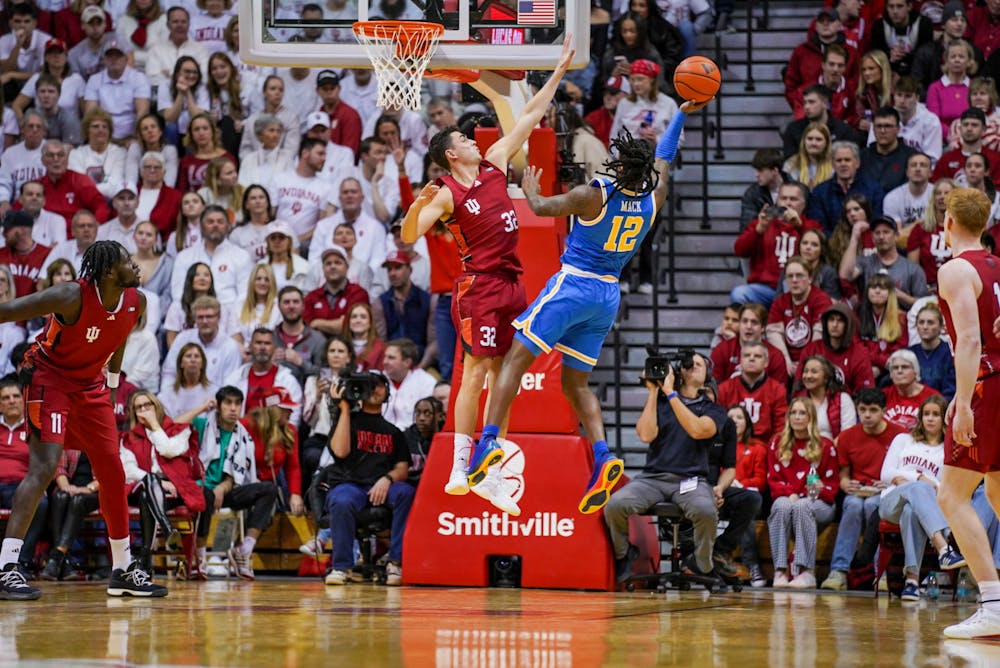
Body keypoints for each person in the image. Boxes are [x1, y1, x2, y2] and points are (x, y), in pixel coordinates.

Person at [467, 98, 706, 515]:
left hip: (574, 284)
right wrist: (681, 112)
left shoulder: (591, 195)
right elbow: (666, 156)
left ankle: (487, 441)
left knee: (511, 365)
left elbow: (542, 209)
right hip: (607, 297)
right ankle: (602, 457)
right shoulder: (654, 199)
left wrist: (531, 191)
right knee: (575, 385)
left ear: (618, 165)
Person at [402, 39, 579, 513]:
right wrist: (417, 205)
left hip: (511, 282)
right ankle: (461, 466)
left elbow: (528, 117)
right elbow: (410, 233)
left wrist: (557, 73)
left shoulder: (496, 163)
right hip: (478, 285)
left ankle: (488, 465)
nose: (471, 139)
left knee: (507, 375)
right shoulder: (444, 191)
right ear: (451, 155)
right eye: (463, 140)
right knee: (476, 371)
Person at [0, 240, 167, 599]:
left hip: (91, 384)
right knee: (44, 468)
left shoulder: (137, 300)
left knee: (112, 470)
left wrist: (111, 384)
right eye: (126, 261)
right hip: (50, 378)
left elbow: (118, 336)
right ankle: (6, 568)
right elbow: (8, 309)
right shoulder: (69, 296)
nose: (135, 265)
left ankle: (122, 568)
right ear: (108, 271)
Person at [926, 187, 1000, 637]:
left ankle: (992, 603)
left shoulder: (955, 268)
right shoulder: (996, 265)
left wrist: (966, 403)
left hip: (987, 386)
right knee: (996, 493)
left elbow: (970, 340)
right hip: (995, 381)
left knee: (951, 496)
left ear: (948, 222)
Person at [605, 351, 731, 582]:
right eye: (688, 364)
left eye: (699, 364)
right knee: (615, 504)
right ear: (679, 371)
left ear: (707, 375)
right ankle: (624, 555)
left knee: (705, 511)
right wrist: (654, 392)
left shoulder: (712, 409)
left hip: (691, 480)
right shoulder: (661, 401)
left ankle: (702, 562)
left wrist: (671, 393)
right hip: (652, 479)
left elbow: (697, 430)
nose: (693, 366)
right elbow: (645, 434)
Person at [323, 370, 414, 587]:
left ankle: (396, 562)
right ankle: (341, 567)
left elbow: (402, 468)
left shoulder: (394, 432)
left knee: (406, 492)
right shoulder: (348, 420)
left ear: (388, 393)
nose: (374, 389)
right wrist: (344, 409)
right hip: (350, 484)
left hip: (382, 485)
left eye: (380, 385)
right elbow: (341, 452)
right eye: (369, 385)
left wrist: (387, 479)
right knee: (341, 500)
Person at [880, 394, 967, 600]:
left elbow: (943, 487)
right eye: (926, 414)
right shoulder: (903, 440)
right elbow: (886, 474)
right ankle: (943, 547)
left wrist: (911, 480)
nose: (930, 418)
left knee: (912, 509)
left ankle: (911, 581)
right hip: (892, 502)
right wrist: (919, 478)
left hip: (923, 507)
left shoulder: (948, 450)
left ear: (945, 418)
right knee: (918, 488)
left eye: (935, 414)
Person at [119, 390, 212, 578]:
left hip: (176, 491)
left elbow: (169, 450)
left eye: (148, 405)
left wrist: (154, 425)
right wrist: (156, 481)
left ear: (157, 406)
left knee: (148, 495)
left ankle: (145, 561)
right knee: (149, 488)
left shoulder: (179, 430)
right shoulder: (128, 438)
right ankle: (167, 527)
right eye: (139, 407)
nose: (144, 410)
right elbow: (128, 470)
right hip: (143, 488)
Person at [821, 387, 904, 590]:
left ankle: (881, 572)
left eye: (873, 410)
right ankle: (838, 571)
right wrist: (845, 483)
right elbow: (843, 474)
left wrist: (889, 483)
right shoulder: (848, 436)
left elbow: (904, 471)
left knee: (874, 506)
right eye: (863, 409)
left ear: (884, 410)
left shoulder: (899, 435)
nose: (867, 415)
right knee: (853, 506)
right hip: (857, 491)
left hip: (886, 491)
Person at [192, 385, 277, 581]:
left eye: (237, 404)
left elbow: (237, 474)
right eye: (228, 403)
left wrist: (223, 486)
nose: (233, 408)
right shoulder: (204, 424)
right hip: (200, 487)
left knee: (269, 489)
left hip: (229, 491)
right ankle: (200, 556)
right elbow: (174, 425)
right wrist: (202, 408)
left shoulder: (243, 435)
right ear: (219, 406)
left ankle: (244, 550)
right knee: (205, 494)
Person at [766, 397, 840, 588]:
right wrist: (790, 493)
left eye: (802, 413)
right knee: (780, 505)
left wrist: (818, 489)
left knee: (802, 505)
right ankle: (780, 571)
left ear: (811, 418)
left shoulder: (825, 445)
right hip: (787, 498)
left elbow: (832, 486)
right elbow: (773, 479)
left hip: (820, 503)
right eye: (793, 412)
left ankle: (806, 571)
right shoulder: (777, 443)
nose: (797, 417)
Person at [731, 181, 823, 307]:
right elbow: (739, 250)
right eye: (783, 198)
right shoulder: (762, 224)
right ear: (777, 201)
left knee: (791, 287)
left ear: (804, 204)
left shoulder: (811, 226)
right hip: (765, 288)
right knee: (739, 294)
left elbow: (822, 250)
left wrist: (799, 226)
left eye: (794, 199)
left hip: (796, 286)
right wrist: (759, 229)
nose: (788, 203)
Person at [0, 379, 47, 578]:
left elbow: (46, 463)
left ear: (23, 400)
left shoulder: (35, 429)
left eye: (16, 396)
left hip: (21, 486)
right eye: (5, 398)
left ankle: (21, 563)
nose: (11, 401)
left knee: (41, 502)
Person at [723, 404, 768, 587]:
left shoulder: (758, 448)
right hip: (722, 495)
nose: (734, 421)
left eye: (739, 417)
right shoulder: (718, 445)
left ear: (747, 423)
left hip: (748, 497)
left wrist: (740, 484)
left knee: (746, 514)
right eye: (730, 417)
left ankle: (752, 565)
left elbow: (761, 480)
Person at [765, 256, 833, 372]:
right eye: (790, 276)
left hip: (814, 360)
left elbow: (819, 336)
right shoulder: (780, 302)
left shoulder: (821, 300)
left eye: (799, 275)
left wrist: (805, 364)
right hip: (787, 361)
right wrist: (786, 361)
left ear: (810, 278)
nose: (794, 280)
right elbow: (773, 334)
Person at [715, 341, 787, 442]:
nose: (751, 358)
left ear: (766, 362)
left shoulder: (777, 390)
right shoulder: (724, 389)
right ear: (740, 360)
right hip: (732, 445)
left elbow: (780, 428)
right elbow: (718, 424)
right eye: (747, 355)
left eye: (757, 356)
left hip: (765, 448)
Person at [797, 302, 875, 393]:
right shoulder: (811, 349)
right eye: (831, 319)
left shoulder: (860, 354)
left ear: (848, 325)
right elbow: (798, 387)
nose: (834, 325)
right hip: (813, 404)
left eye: (840, 320)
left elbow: (865, 393)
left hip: (847, 404)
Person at [711, 302, 788, 384]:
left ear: (762, 328)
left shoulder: (775, 356)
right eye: (744, 321)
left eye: (754, 322)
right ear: (739, 324)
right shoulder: (721, 350)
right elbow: (713, 388)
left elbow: (779, 393)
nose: (748, 326)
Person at [795, 354, 857, 440]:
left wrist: (829, 449)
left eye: (814, 371)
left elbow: (847, 434)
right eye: (805, 371)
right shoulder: (798, 401)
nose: (808, 376)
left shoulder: (843, 399)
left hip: (835, 450)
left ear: (826, 377)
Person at [380, 338, 437, 432]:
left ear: (407, 362)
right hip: (382, 437)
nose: (384, 362)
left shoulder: (426, 382)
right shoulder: (378, 379)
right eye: (385, 357)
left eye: (391, 358)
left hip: (412, 437)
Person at [157, 342, 217, 420]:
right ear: (181, 363)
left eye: (197, 356)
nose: (193, 360)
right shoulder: (166, 394)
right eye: (188, 356)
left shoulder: (214, 392)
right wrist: (202, 408)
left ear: (202, 363)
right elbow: (170, 427)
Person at [883, 349, 941, 430]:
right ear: (891, 374)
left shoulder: (932, 397)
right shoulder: (883, 395)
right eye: (895, 368)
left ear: (916, 371)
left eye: (905, 367)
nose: (899, 371)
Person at [910, 302, 956, 400]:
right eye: (921, 322)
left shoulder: (950, 353)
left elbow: (951, 389)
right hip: (913, 407)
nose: (925, 327)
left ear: (941, 326)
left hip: (942, 406)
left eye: (930, 322)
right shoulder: (909, 354)